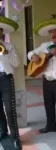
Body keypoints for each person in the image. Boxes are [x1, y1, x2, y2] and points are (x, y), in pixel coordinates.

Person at [0, 16, 21, 149]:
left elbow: (17, 63)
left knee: (9, 109)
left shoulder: (9, 46)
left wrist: (5, 51)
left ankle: (15, 136)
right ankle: (3, 132)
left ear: (2, 32)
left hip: (6, 79)